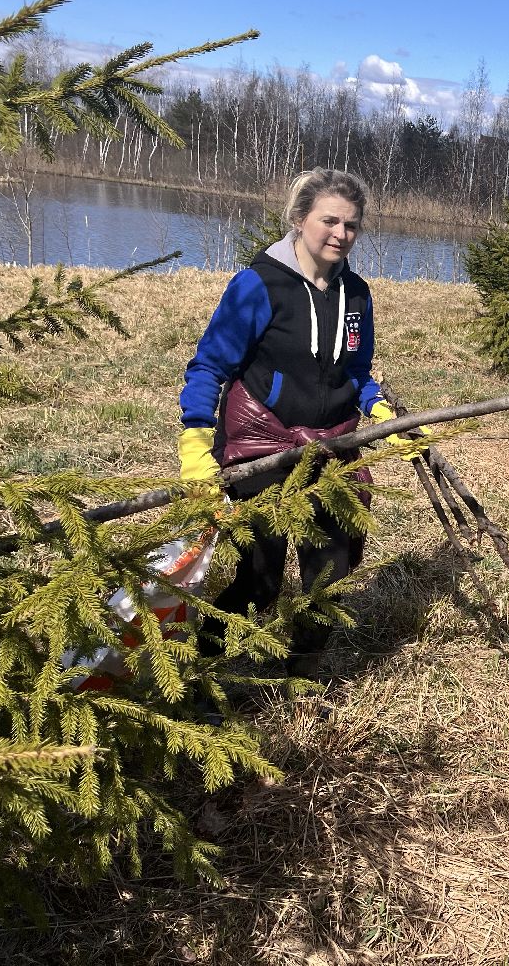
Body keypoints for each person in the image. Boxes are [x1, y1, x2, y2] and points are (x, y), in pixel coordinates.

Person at [178, 168, 409, 680]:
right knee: (258, 576)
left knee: (330, 576)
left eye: (351, 226)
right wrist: (195, 442)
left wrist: (382, 413)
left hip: (333, 447)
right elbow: (209, 366)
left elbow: (355, 372)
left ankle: (301, 680)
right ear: (301, 218)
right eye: (329, 220)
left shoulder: (357, 295)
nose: (339, 235)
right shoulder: (258, 285)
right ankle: (201, 672)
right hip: (263, 443)